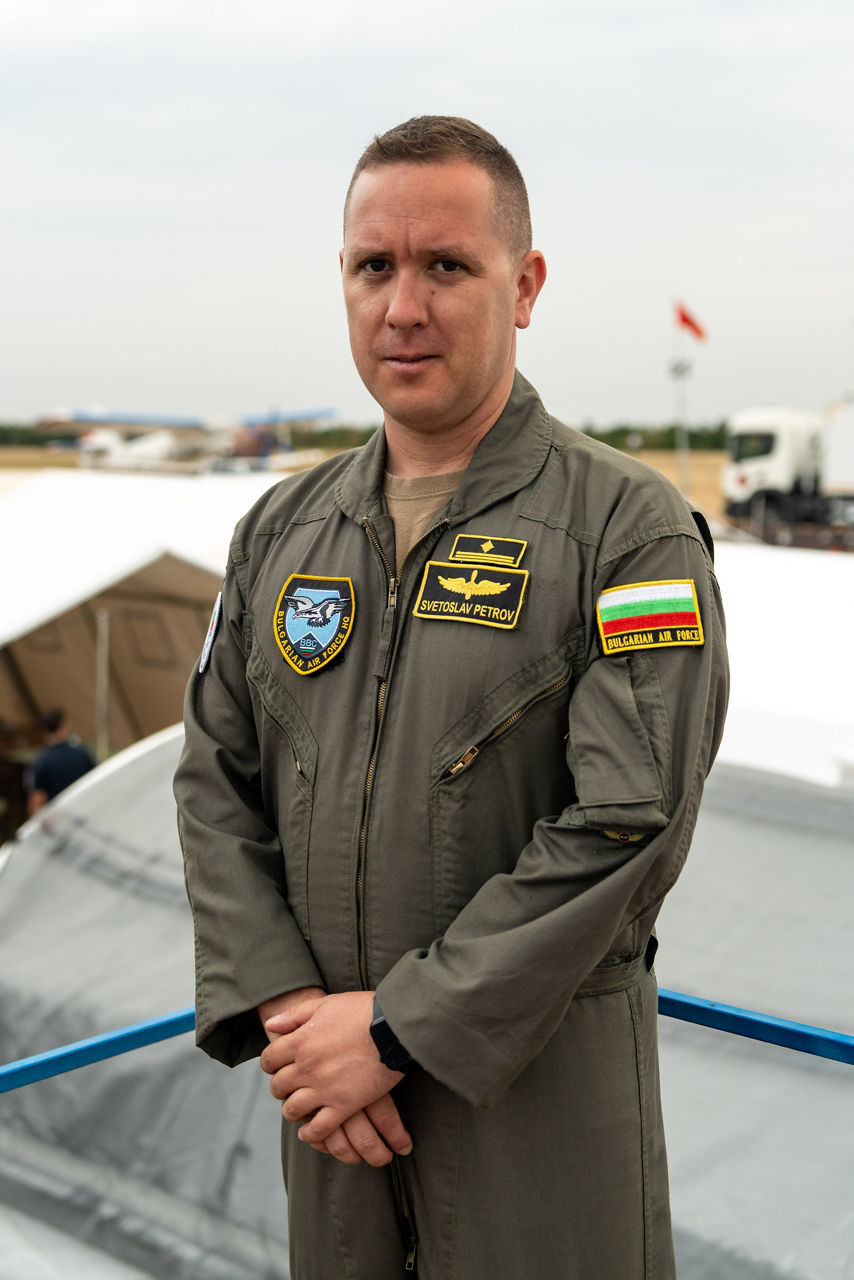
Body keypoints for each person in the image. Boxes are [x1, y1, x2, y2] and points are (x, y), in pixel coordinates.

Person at [174, 116, 728, 1279]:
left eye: (446, 266)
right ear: (342, 278)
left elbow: (625, 822)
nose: (402, 306)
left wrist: (392, 1029)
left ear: (522, 286)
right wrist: (295, 1020)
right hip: (331, 1115)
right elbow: (213, 780)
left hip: (535, 1120)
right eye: (374, 266)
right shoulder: (279, 531)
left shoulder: (625, 531)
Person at [25, 709, 95, 815]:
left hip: (58, 822)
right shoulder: (82, 754)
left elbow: (36, 801)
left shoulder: (40, 762)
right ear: (63, 726)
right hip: (84, 814)